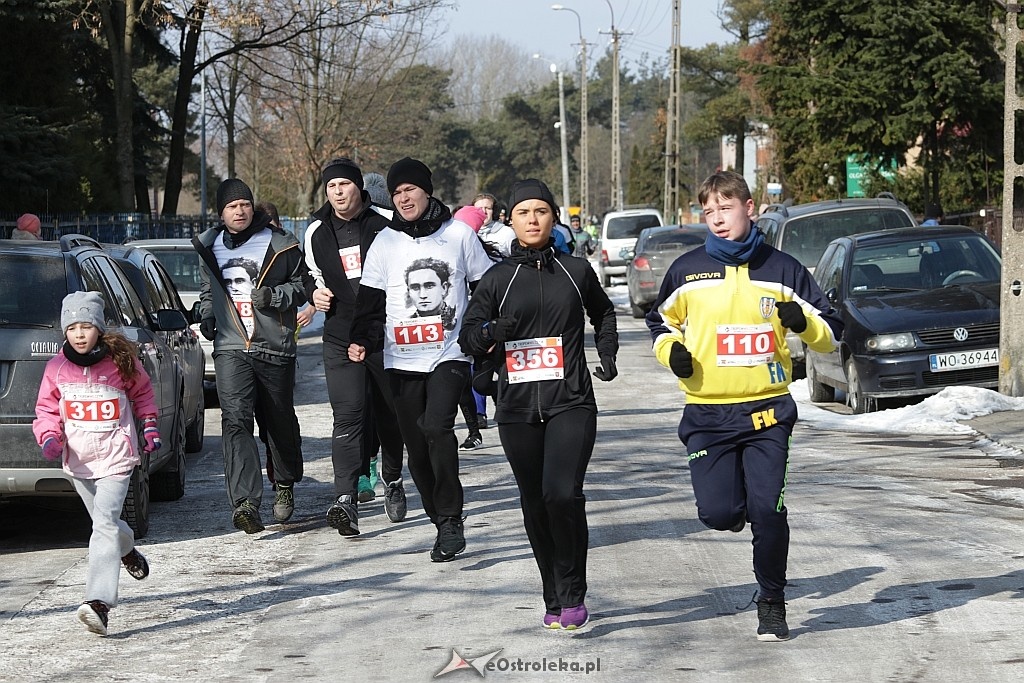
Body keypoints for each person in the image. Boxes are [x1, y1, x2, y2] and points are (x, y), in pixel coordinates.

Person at [645, 170, 843, 642]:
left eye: (725, 208)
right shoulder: (687, 271)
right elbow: (660, 322)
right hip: (707, 414)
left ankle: (771, 601)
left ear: (749, 208)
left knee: (769, 510)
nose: (716, 218)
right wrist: (671, 351)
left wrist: (802, 323)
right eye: (708, 210)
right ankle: (737, 509)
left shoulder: (784, 269)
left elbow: (830, 333)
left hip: (767, 411)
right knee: (718, 513)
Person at [458, 178, 618, 631]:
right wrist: (491, 334)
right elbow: (469, 336)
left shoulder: (576, 270)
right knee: (534, 501)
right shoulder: (497, 278)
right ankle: (552, 592)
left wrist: (606, 352)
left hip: (572, 400)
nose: (533, 219)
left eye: (541, 211)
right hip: (517, 407)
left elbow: (603, 313)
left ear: (553, 218)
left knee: (561, 493)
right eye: (524, 212)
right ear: (510, 219)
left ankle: (573, 590)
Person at [349, 157, 493, 562]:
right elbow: (370, 300)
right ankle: (440, 519)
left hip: (450, 353)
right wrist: (361, 338)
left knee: (437, 427)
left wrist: (481, 335)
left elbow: (484, 289)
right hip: (401, 358)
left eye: (409, 189)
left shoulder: (459, 235)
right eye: (395, 193)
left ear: (426, 190)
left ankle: (451, 518)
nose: (402, 198)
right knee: (416, 445)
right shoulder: (386, 241)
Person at [33, 291, 162, 636]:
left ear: (98, 330)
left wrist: (149, 426)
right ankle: (128, 550)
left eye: (86, 326)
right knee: (107, 524)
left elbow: (143, 395)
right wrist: (49, 436)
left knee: (103, 524)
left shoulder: (120, 363)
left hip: (116, 457)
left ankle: (99, 603)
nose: (79, 333)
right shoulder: (56, 368)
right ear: (64, 331)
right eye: (72, 327)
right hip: (80, 462)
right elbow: (45, 410)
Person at [194, 178, 307, 534]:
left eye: (244, 204)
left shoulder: (279, 243)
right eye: (232, 206)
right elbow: (208, 291)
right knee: (235, 419)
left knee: (278, 421)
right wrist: (208, 314)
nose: (239, 211)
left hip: (273, 345)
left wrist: (273, 297)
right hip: (231, 347)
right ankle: (245, 502)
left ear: (252, 206)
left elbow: (304, 286)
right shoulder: (210, 247)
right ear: (221, 212)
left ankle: (285, 484)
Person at [303, 157, 406, 536]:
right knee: (348, 415)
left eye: (344, 185)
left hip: (382, 332)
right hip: (339, 334)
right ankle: (345, 499)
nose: (338, 193)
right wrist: (314, 293)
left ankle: (392, 478)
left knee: (388, 412)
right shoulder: (317, 231)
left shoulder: (384, 225)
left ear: (358, 188)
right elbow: (308, 275)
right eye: (331, 187)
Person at [473, 193, 516, 257]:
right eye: (479, 208)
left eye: (488, 208)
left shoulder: (507, 233)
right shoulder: (468, 233)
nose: (483, 211)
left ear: (494, 211)